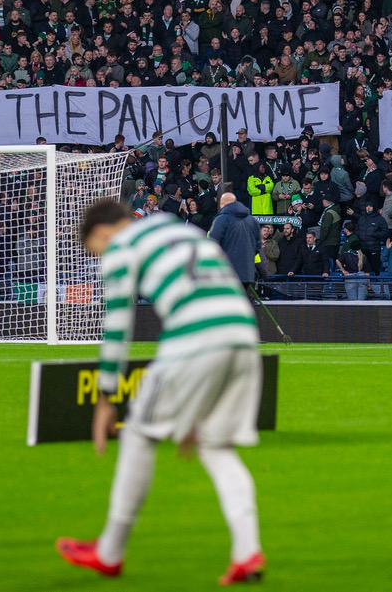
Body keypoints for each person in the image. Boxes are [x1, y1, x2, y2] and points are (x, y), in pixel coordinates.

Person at [58, 199, 265, 585]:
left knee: (138, 433)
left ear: (103, 233)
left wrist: (106, 397)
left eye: (95, 251)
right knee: (216, 448)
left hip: (194, 340)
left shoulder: (121, 246)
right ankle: (247, 552)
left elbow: (118, 324)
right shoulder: (178, 229)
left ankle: (109, 552)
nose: (100, 259)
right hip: (242, 335)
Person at [209, 192, 261, 288]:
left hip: (226, 273)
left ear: (222, 204)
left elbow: (212, 245)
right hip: (247, 274)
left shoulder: (222, 219)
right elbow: (258, 247)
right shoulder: (252, 220)